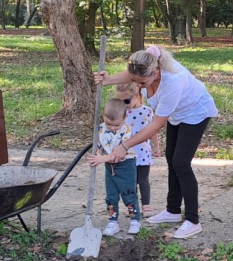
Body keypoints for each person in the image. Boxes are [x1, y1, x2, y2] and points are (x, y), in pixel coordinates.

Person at [95, 45, 218, 240]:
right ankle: (173, 210)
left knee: (181, 163)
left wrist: (125, 145)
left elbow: (155, 125)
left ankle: (193, 220)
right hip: (178, 115)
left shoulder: (172, 83)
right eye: (135, 81)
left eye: (141, 82)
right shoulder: (147, 66)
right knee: (171, 159)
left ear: (156, 72)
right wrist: (109, 80)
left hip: (195, 112)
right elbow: (132, 74)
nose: (138, 86)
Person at [87, 99, 141, 236]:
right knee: (111, 196)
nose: (112, 128)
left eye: (116, 125)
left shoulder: (126, 131)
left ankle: (135, 220)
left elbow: (118, 155)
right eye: (109, 124)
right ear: (104, 117)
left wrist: (100, 159)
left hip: (125, 166)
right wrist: (96, 156)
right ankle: (112, 222)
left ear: (124, 118)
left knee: (128, 194)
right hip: (109, 167)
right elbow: (99, 145)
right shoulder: (100, 128)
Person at [114, 83, 161, 217]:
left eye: (126, 101)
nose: (124, 104)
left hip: (143, 152)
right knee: (130, 182)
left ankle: (146, 206)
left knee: (143, 180)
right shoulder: (121, 112)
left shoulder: (147, 111)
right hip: (126, 153)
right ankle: (132, 207)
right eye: (120, 101)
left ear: (136, 96)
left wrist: (156, 147)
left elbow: (153, 131)